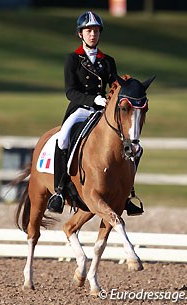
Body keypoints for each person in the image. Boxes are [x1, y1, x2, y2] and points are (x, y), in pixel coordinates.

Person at [47, 11, 144, 216]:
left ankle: (127, 193)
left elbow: (115, 87)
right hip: (80, 109)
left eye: (96, 31)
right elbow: (70, 92)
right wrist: (92, 100)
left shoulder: (107, 61)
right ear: (80, 34)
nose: (93, 34)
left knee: (133, 146)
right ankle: (58, 190)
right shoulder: (72, 59)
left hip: (102, 112)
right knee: (63, 139)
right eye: (89, 31)